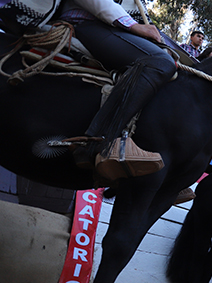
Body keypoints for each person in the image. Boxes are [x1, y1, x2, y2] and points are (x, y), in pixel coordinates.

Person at [58, 0, 174, 181]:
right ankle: (97, 142)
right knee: (159, 63)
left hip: (112, 28)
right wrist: (134, 25)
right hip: (86, 23)